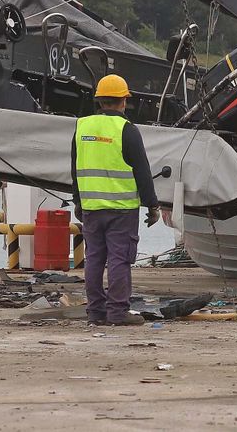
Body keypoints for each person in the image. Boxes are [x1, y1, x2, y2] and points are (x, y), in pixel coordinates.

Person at [71, 74, 170, 326]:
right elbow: (142, 172)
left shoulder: (81, 127)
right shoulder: (127, 130)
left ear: (99, 101)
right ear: (124, 102)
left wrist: (78, 202)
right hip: (121, 211)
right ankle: (117, 312)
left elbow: (75, 169)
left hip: (92, 207)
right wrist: (153, 205)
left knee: (94, 258)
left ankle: (95, 313)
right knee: (119, 258)